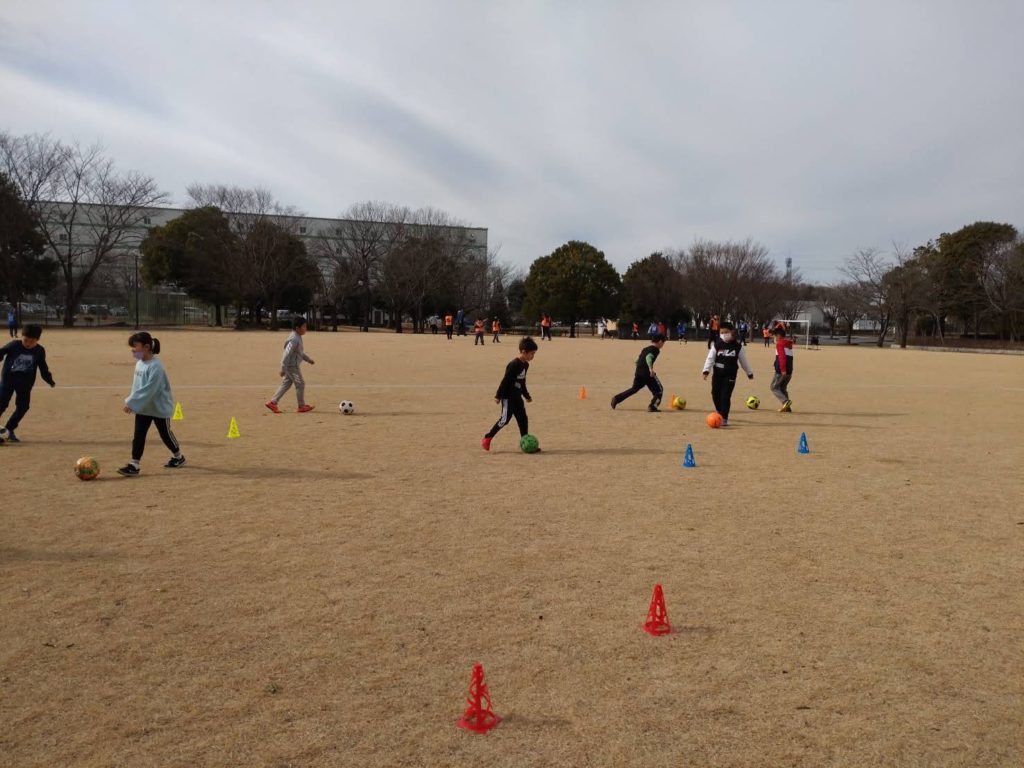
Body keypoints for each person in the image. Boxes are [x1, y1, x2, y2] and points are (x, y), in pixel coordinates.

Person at [117, 331, 184, 476]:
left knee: (165, 434)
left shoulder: (156, 367)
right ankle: (134, 465)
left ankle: (178, 456)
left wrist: (131, 403)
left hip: (159, 408)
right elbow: (137, 387)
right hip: (143, 408)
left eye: (135, 346)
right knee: (139, 435)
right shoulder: (140, 363)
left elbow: (149, 390)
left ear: (147, 347)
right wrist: (136, 403)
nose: (133, 350)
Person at [0, 324, 55, 443]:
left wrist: (49, 379)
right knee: (1, 403)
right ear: (21, 337)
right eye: (26, 340)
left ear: (38, 340)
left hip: (25, 383)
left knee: (23, 407)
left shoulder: (39, 350)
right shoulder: (14, 345)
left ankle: (9, 430)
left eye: (32, 341)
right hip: (8, 380)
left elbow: (43, 367)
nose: (28, 343)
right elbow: (2, 351)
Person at [482, 336, 538, 451]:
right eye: (532, 353)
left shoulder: (525, 365)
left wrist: (526, 395)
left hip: (517, 397)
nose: (533, 356)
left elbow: (522, 381)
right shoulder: (513, 364)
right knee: (504, 419)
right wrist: (498, 396)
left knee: (523, 419)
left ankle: (525, 442)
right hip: (508, 396)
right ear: (524, 352)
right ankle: (488, 438)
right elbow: (505, 381)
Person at [702, 321, 753, 426]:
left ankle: (724, 417)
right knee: (715, 393)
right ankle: (719, 411)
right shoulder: (717, 344)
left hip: (730, 375)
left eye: (726, 332)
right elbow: (710, 358)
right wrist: (706, 371)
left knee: (725, 396)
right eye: (721, 332)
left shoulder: (738, 347)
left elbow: (744, 361)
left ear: (732, 332)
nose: (723, 334)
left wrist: (749, 372)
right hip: (717, 374)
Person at [265, 317, 316, 413]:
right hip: (292, 367)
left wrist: (308, 359)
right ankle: (301, 406)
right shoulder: (294, 339)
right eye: (304, 326)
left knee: (286, 384)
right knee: (300, 384)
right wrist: (283, 368)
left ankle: (273, 402)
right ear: (297, 328)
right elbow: (286, 354)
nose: (306, 328)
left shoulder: (297, 337)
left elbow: (299, 353)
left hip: (291, 366)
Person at [610, 333, 666, 412]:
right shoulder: (655, 350)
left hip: (639, 372)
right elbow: (648, 357)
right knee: (659, 390)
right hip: (647, 373)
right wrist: (650, 369)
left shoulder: (645, 349)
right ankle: (652, 406)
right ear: (660, 341)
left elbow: (637, 360)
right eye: (663, 343)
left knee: (634, 389)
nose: (663, 345)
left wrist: (640, 367)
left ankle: (616, 398)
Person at [770, 326, 794, 412]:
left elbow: (782, 357)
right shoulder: (787, 344)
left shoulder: (780, 344)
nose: (774, 338)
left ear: (779, 336)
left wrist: (782, 369)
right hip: (789, 371)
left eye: (774, 336)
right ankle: (787, 408)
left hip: (781, 371)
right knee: (783, 388)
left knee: (774, 387)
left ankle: (785, 401)